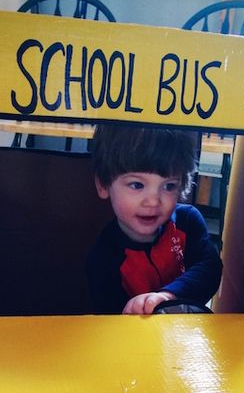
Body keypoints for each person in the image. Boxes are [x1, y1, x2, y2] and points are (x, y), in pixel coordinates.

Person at [86, 123, 222, 314]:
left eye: (169, 186)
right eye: (137, 185)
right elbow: (106, 319)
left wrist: (167, 296)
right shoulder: (104, 258)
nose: (153, 201)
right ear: (103, 185)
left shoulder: (187, 222)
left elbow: (209, 269)